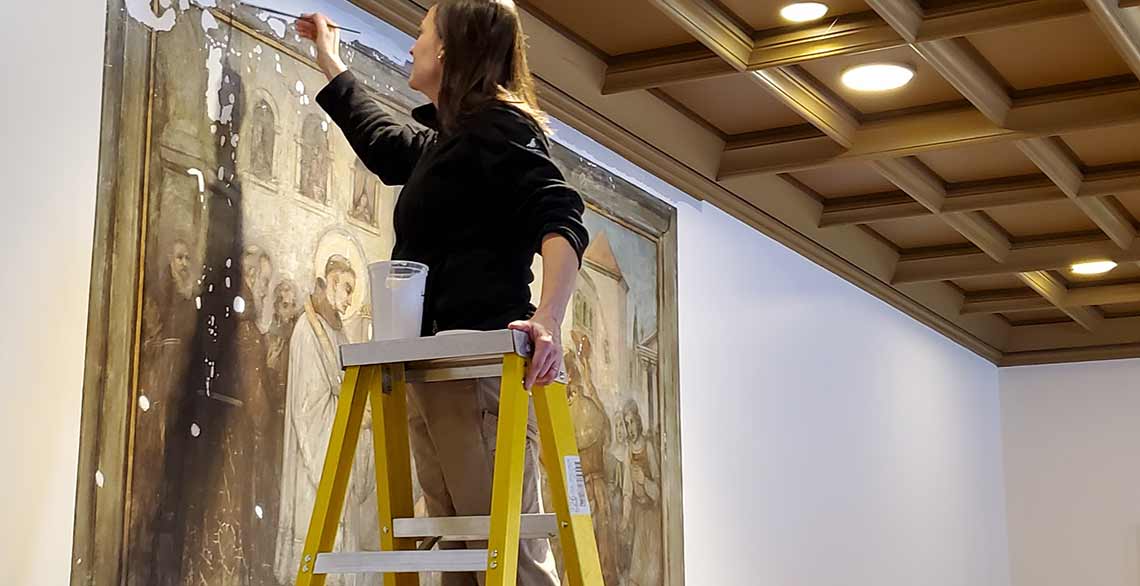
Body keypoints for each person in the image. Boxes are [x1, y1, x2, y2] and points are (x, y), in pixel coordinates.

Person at [298, 2, 590, 584]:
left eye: (421, 33)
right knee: (459, 556)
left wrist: (549, 319)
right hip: (434, 365)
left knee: (505, 557)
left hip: (477, 360)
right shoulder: (448, 144)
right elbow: (383, 145)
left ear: (450, 49)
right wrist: (329, 59)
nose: (411, 46)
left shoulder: (502, 129)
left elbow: (560, 217)